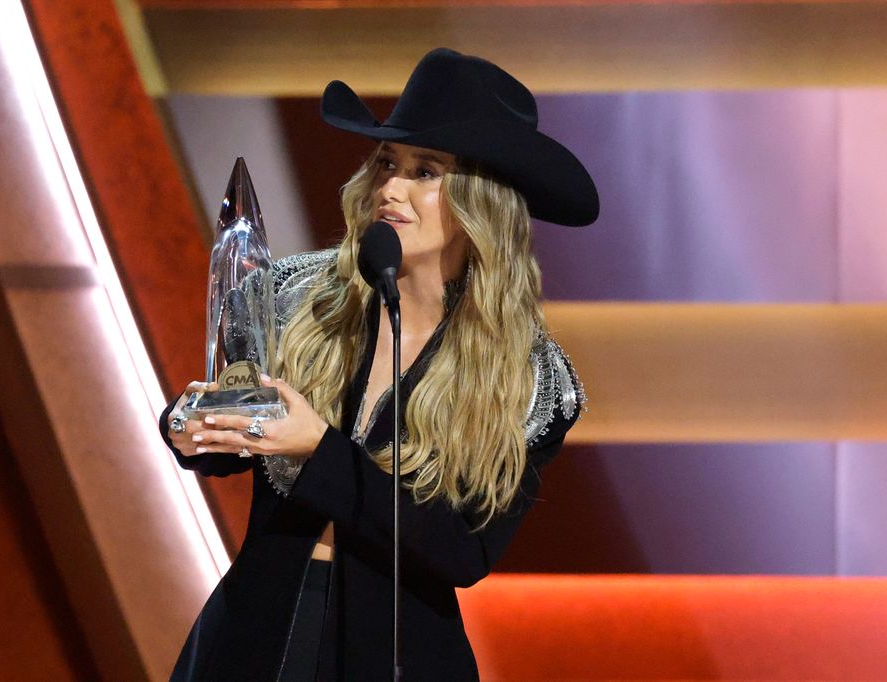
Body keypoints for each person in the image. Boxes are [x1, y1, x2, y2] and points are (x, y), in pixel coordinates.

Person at [159, 47, 598, 681]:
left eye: (426, 171)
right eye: (387, 163)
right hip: (254, 637)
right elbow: (234, 436)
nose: (391, 188)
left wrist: (320, 449)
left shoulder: (528, 378)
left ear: (483, 202)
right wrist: (188, 425)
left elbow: (461, 550)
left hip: (397, 657)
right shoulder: (294, 298)